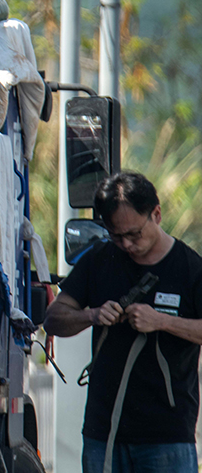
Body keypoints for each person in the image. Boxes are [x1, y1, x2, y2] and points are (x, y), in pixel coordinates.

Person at [43, 171, 202, 473]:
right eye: (116, 235)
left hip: (167, 436)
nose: (127, 244)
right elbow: (53, 319)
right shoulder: (98, 259)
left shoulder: (190, 267)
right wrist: (91, 315)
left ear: (156, 214)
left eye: (134, 234)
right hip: (104, 434)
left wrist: (162, 322)